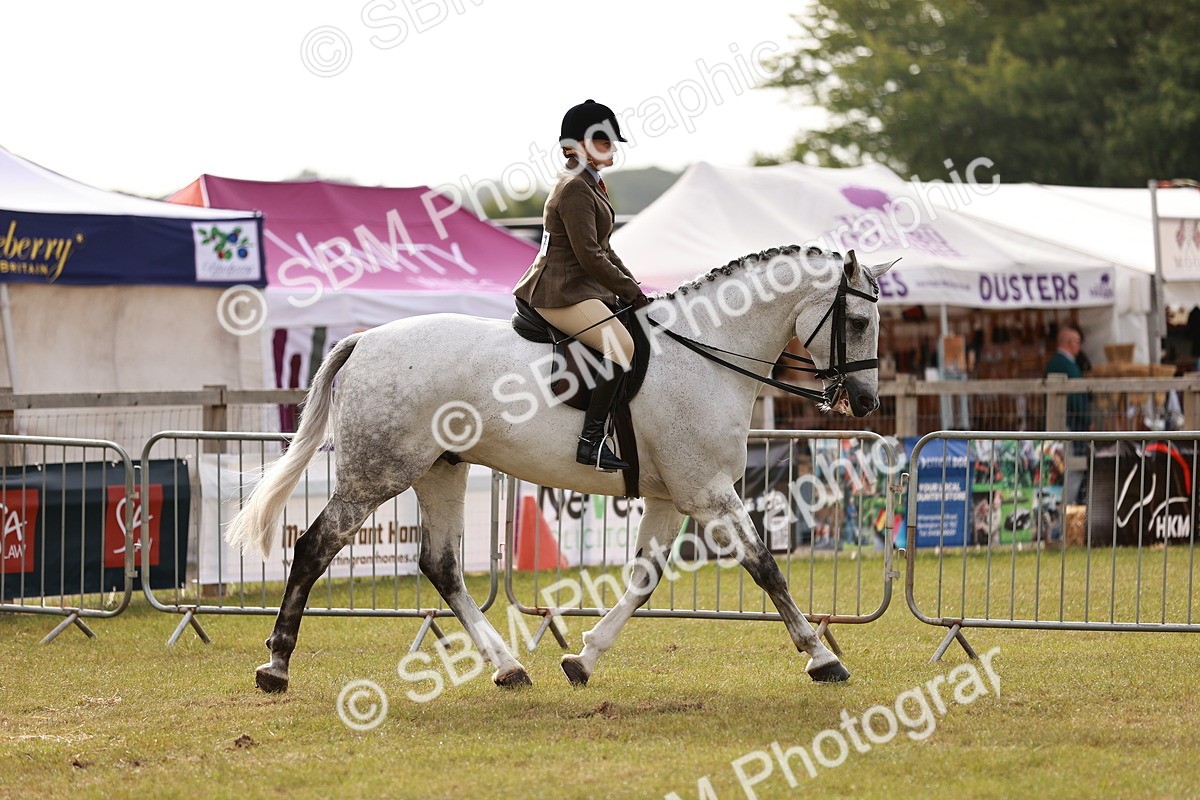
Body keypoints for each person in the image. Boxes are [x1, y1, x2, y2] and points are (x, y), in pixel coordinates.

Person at [513, 99, 649, 472]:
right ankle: (591, 442)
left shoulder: (591, 183)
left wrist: (633, 287)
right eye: (604, 141)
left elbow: (605, 247)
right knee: (621, 347)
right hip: (559, 290)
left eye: (611, 142)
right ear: (577, 144)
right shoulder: (575, 187)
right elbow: (589, 255)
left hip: (579, 286)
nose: (612, 148)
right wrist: (628, 291)